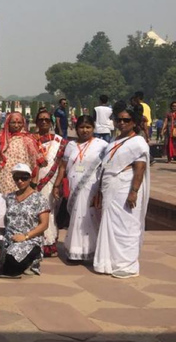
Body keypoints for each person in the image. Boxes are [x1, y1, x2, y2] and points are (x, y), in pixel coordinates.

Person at [93, 105, 150, 279]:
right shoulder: (115, 140)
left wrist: (134, 191)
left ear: (134, 122)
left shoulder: (138, 142)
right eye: (119, 120)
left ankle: (128, 264)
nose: (122, 123)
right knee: (111, 223)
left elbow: (139, 169)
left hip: (126, 186)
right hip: (111, 187)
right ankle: (109, 262)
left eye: (127, 120)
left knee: (127, 225)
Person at [57, 115, 106, 262]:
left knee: (90, 217)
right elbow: (63, 167)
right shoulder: (71, 146)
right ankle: (75, 251)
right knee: (75, 218)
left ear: (93, 128)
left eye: (88, 127)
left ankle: (92, 251)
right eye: (82, 127)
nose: (85, 130)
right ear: (77, 128)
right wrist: (57, 184)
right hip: (74, 186)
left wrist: (102, 189)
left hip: (92, 187)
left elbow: (105, 168)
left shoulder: (101, 145)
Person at [3, 163, 50, 276]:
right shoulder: (9, 197)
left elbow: (44, 224)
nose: (20, 181)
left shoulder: (39, 198)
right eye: (16, 178)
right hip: (9, 238)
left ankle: (31, 261)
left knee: (11, 264)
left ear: (30, 178)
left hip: (29, 239)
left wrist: (25, 236)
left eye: (24, 178)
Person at [35, 107, 68, 257]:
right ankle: (34, 243)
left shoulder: (59, 142)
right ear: (36, 122)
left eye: (46, 119)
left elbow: (62, 165)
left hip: (52, 180)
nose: (43, 122)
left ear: (51, 122)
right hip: (33, 181)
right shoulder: (31, 139)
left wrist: (57, 184)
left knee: (49, 211)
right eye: (40, 119)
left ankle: (48, 244)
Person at [0, 112, 44, 196]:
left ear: (23, 123)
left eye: (19, 123)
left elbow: (35, 163)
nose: (16, 126)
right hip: (4, 178)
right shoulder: (1, 138)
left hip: (22, 179)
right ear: (8, 123)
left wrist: (34, 182)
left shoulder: (29, 139)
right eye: (13, 122)